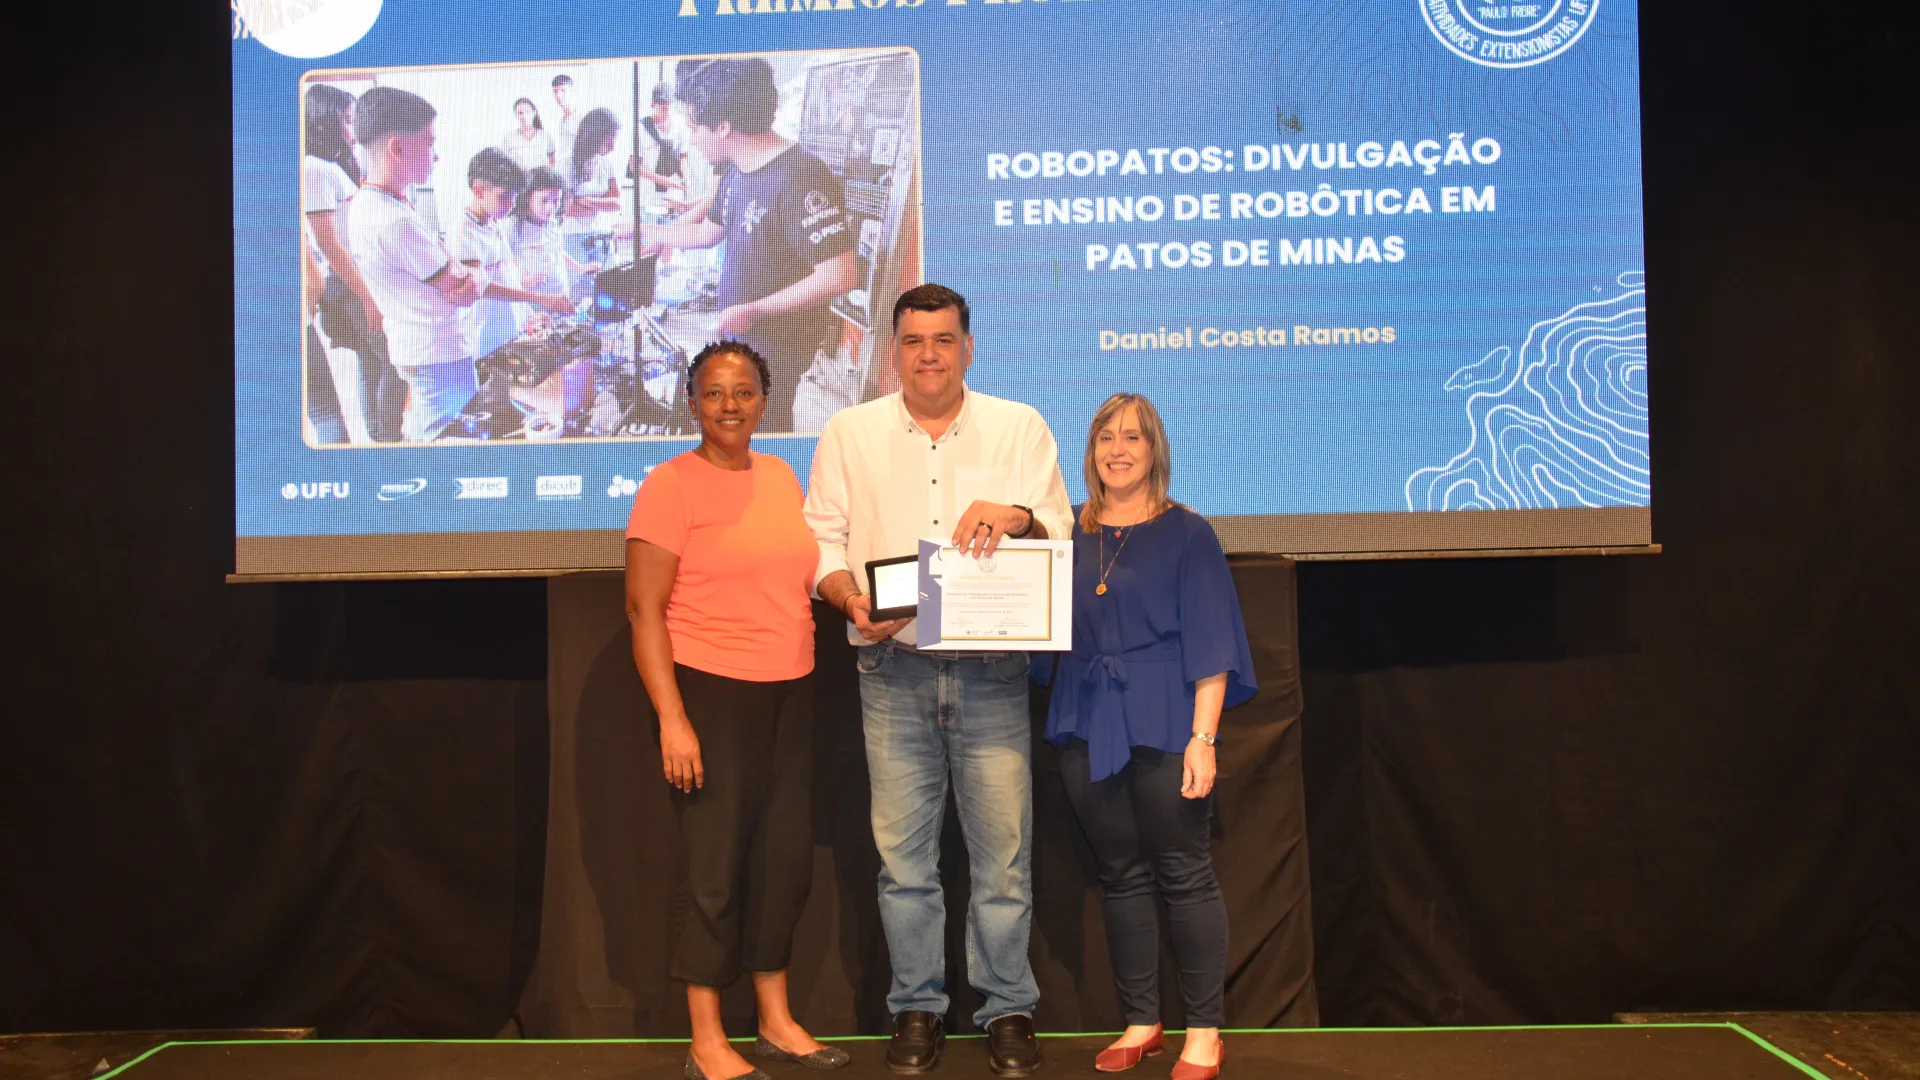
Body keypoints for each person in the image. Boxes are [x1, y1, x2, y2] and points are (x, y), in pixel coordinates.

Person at [804, 283, 1071, 1078]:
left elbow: (1058, 529)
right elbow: (822, 542)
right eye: (914, 341)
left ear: (969, 347)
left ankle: (1007, 1008)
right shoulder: (850, 432)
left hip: (993, 671)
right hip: (892, 670)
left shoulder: (1018, 427)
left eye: (944, 339)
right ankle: (915, 1007)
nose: (929, 355)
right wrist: (847, 597)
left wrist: (1016, 516)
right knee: (904, 862)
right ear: (893, 351)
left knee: (1004, 860)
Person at [626, 341, 851, 1080]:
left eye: (745, 391)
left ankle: (775, 1022)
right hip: (710, 694)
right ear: (692, 402)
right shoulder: (669, 485)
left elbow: (806, 571)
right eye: (715, 392)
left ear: (764, 399)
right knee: (715, 870)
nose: (731, 405)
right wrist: (673, 719)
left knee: (782, 864)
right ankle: (706, 1038)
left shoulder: (781, 475)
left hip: (792, 690)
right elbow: (643, 611)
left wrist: (856, 599)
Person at [1040, 393, 1254, 1080]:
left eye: (1133, 436)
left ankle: (1204, 1032)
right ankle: (1142, 1020)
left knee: (1184, 874)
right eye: (1106, 436)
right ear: (1090, 450)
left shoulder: (1188, 532)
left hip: (1167, 717)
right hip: (1085, 716)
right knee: (1121, 875)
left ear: (1155, 448)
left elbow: (1214, 643)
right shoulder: (1065, 532)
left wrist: (1203, 738)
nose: (1118, 449)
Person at [639, 58, 857, 433]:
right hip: (743, 334)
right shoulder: (736, 169)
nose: (692, 139)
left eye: (695, 128)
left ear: (723, 126)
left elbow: (840, 274)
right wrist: (648, 232)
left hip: (777, 344)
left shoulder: (802, 175)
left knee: (762, 430)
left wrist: (753, 310)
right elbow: (707, 233)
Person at [347, 86, 483, 443]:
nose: (436, 156)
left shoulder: (368, 203)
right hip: (437, 350)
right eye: (429, 142)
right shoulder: (396, 220)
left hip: (417, 344)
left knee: (436, 430)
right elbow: (463, 290)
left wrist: (459, 269)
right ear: (397, 147)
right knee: (450, 442)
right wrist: (479, 271)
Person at [453, 148, 574, 361]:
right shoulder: (464, 232)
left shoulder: (493, 223)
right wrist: (539, 298)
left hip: (508, 332)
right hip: (484, 339)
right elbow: (481, 287)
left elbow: (508, 276)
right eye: (504, 197)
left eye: (514, 197)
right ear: (479, 191)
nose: (510, 205)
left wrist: (529, 315)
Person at [300, 82, 366, 444]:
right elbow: (329, 244)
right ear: (324, 121)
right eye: (347, 119)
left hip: (351, 277)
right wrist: (366, 294)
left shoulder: (329, 165)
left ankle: (380, 439)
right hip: (345, 280)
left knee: (371, 362)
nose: (352, 128)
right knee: (326, 408)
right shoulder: (314, 168)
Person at [506, 166, 598, 329]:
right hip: (532, 303)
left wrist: (579, 267)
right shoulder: (514, 226)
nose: (550, 208)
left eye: (556, 201)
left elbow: (557, 250)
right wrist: (521, 282)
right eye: (544, 200)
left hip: (559, 296)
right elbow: (504, 264)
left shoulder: (553, 222)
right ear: (527, 197)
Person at [563, 106, 623, 300]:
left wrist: (586, 201)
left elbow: (617, 203)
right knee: (579, 293)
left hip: (601, 234)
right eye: (609, 141)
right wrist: (601, 203)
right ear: (595, 136)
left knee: (609, 290)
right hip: (574, 236)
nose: (612, 147)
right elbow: (567, 208)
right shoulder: (568, 163)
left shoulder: (606, 163)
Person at [629, 82, 688, 207]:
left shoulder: (680, 124)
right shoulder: (641, 128)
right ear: (652, 104)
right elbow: (634, 167)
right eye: (661, 106)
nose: (666, 110)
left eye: (668, 105)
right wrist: (664, 180)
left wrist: (685, 177)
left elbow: (683, 156)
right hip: (649, 193)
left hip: (674, 190)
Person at [499, 96, 556, 173]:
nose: (524, 116)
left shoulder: (545, 136)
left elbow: (552, 161)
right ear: (516, 115)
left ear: (534, 112)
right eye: (520, 113)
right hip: (517, 178)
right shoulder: (509, 137)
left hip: (541, 178)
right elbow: (503, 163)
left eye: (527, 111)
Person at [551, 74, 579, 160]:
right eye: (555, 91)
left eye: (563, 90)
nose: (558, 95)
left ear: (572, 92)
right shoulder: (560, 121)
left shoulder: (581, 118)